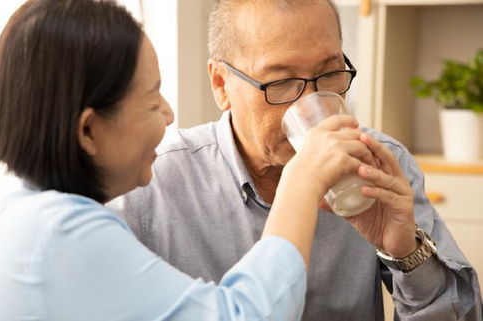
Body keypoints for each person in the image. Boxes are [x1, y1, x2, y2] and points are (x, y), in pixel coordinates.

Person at [0, 0, 376, 319]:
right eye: (152, 98)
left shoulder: (31, 217)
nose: (169, 114)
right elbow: (246, 315)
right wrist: (302, 182)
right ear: (88, 131)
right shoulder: (62, 234)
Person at [113, 0, 483, 320]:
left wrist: (406, 253)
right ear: (221, 85)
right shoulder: (152, 183)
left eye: (329, 73)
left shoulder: (382, 164)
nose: (311, 102)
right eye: (282, 82)